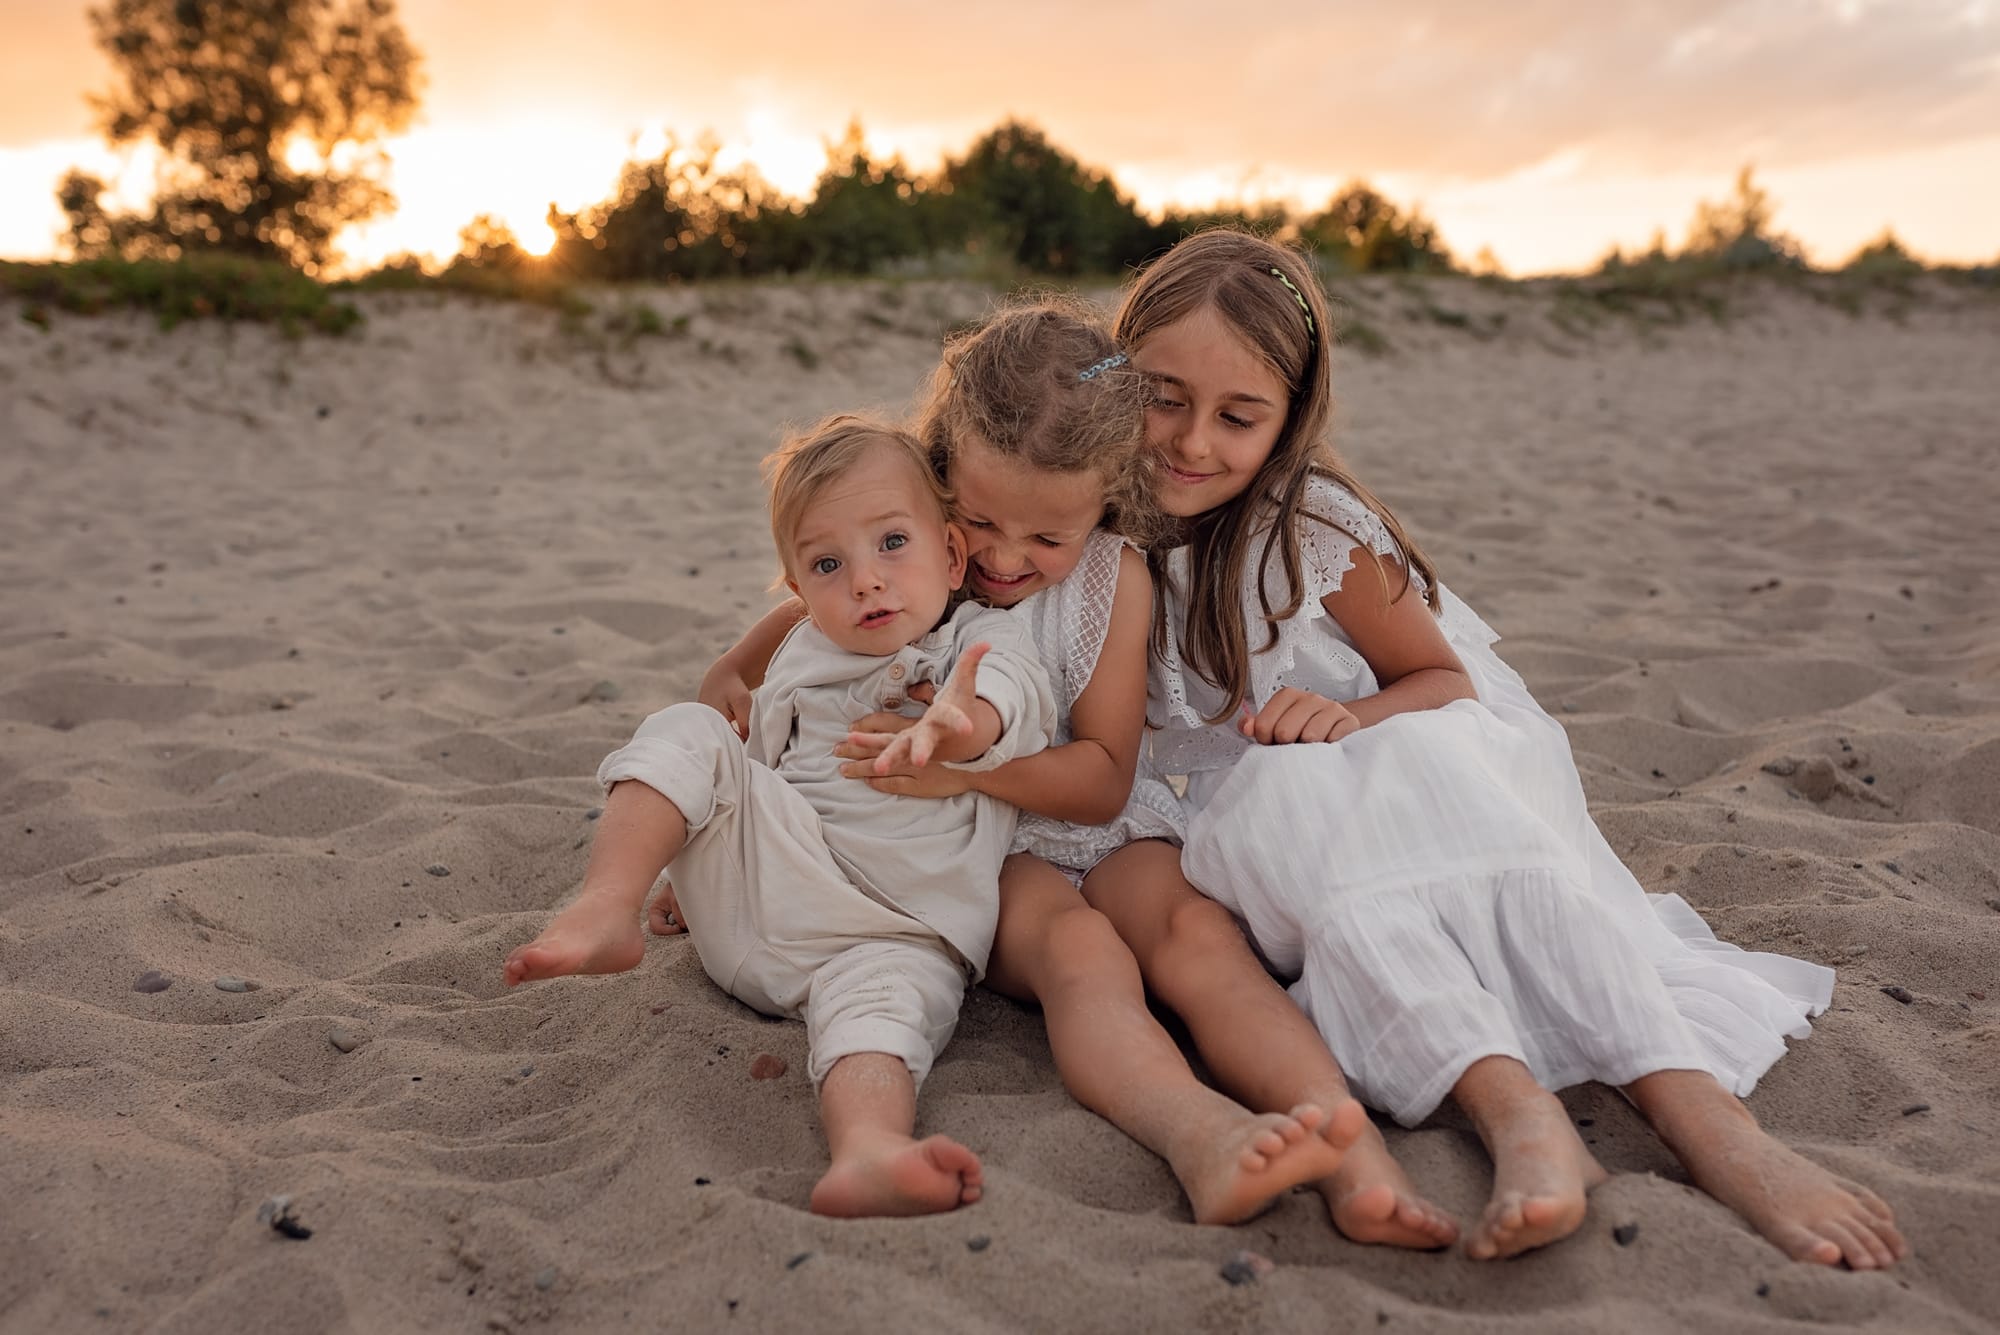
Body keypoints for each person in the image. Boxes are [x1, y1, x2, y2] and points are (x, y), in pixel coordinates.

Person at [1114, 226, 1907, 1267]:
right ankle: (1514, 1110)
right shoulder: (1079, 513)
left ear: (1288, 421)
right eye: (1160, 396)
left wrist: (1345, 720)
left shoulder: (1310, 528)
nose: (1189, 440)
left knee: (1354, 799)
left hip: (1414, 753)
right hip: (1243, 811)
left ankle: (1711, 1126)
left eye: (1237, 416)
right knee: (1312, 842)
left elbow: (1438, 682)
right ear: (1110, 372)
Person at [693, 298, 1452, 1241]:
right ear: (943, 487)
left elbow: (1101, 775)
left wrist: (970, 771)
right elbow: (804, 608)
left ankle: (1356, 1160)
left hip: (1075, 809)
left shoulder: (1109, 579)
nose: (1008, 558)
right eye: (983, 523)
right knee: (1081, 953)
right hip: (973, 850)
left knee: (1195, 934)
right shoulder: (911, 549)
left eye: (1049, 537)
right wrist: (731, 669)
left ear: (1106, 499)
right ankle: (1201, 1137)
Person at [503, 415, 1058, 1218]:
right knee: (691, 732)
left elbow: (1012, 698)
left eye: (891, 544)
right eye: (829, 564)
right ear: (798, 590)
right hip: (769, 893)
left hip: (892, 928)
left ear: (951, 553)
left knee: (882, 1022)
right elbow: (755, 774)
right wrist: (687, 865)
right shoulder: (801, 652)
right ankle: (606, 903)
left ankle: (867, 1148)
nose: (865, 580)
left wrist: (957, 725)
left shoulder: (976, 642)